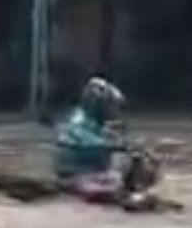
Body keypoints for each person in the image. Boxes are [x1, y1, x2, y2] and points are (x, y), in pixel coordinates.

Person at [55, 76, 159, 207]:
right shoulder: (79, 123)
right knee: (127, 162)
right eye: (109, 106)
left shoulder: (89, 120)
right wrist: (122, 147)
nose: (112, 111)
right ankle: (131, 195)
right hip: (78, 177)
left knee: (136, 158)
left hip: (86, 173)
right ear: (98, 105)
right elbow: (97, 146)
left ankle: (130, 192)